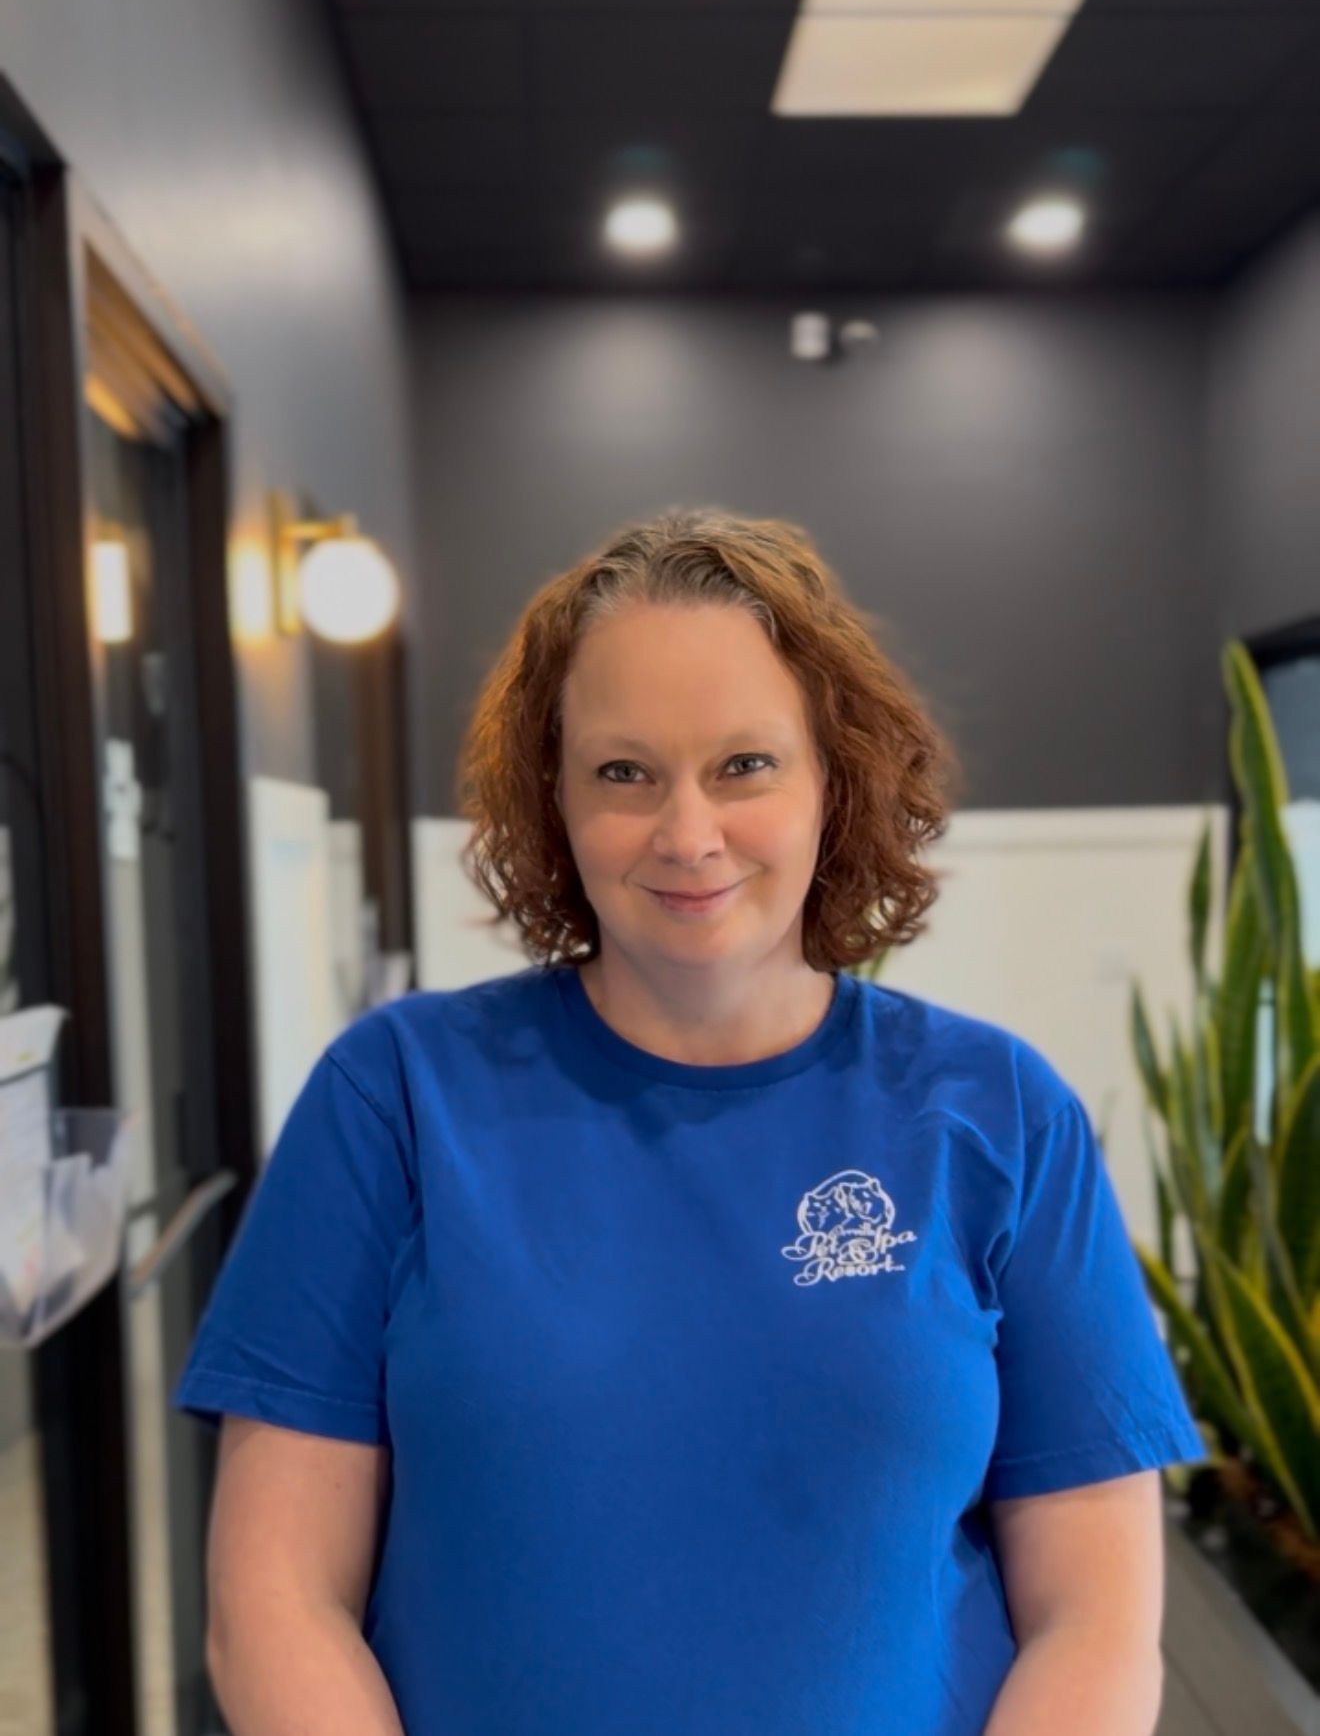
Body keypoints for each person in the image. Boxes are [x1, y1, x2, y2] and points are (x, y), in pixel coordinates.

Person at [173, 505, 1207, 1736]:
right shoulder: (394, 1096)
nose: (688, 832)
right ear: (549, 797)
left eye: (744, 765)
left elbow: (1096, 1616)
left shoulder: (1000, 1115)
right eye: (624, 771)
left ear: (836, 776)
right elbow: (273, 1597)